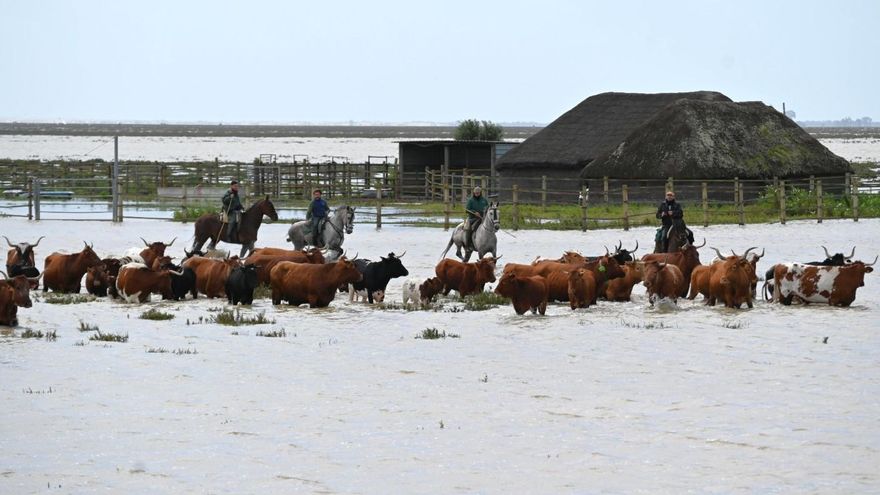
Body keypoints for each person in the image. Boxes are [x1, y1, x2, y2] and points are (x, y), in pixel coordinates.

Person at [464, 186, 489, 250]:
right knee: (470, 229)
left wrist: (485, 213)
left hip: (483, 218)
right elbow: (467, 210)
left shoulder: (484, 200)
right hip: (473, 218)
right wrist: (474, 212)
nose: (476, 194)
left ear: (480, 193)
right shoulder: (471, 200)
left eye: (478, 193)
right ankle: (468, 245)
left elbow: (488, 208)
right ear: (473, 193)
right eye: (475, 193)